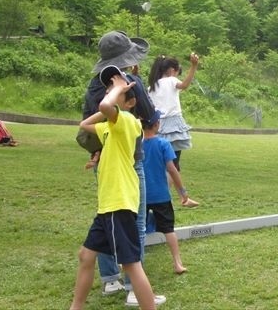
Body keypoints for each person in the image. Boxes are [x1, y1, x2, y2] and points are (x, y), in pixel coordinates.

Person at [80, 31, 165, 306]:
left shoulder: (115, 106)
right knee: (133, 231)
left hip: (115, 179)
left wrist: (113, 94)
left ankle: (113, 281)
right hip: (119, 180)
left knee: (124, 242)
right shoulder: (126, 89)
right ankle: (132, 289)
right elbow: (149, 115)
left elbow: (93, 117)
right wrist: (121, 88)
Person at [141, 110, 194, 275]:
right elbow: (172, 170)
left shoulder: (137, 145)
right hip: (161, 196)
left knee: (137, 229)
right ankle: (177, 263)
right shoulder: (164, 144)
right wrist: (183, 194)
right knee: (169, 230)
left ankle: (128, 262)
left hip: (140, 196)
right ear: (157, 124)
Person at [148, 53, 199, 174]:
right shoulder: (171, 80)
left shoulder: (151, 87)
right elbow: (184, 85)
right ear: (172, 71)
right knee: (174, 164)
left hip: (156, 126)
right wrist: (193, 66)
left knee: (160, 162)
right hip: (172, 126)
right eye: (177, 73)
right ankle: (171, 188)